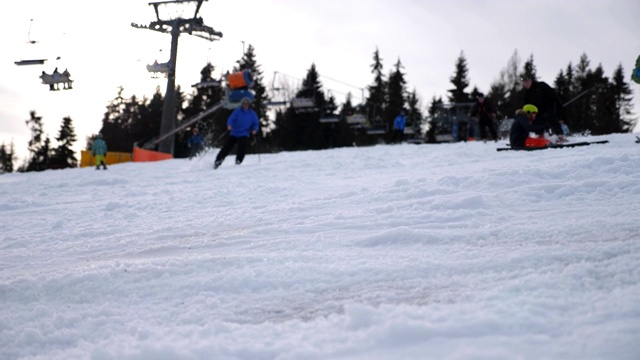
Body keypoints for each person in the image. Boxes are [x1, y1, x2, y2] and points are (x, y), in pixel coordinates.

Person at [214, 97, 259, 169]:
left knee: (242, 147)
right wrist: (229, 125)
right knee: (227, 147)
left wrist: (255, 130)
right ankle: (218, 160)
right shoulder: (238, 111)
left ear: (249, 105)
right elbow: (231, 119)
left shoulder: (252, 114)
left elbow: (255, 124)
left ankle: (238, 161)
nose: (245, 106)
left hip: (244, 133)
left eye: (246, 104)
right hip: (235, 132)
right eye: (243, 104)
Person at [522, 75, 564, 140]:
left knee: (550, 117)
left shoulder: (541, 85)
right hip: (538, 109)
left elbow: (553, 95)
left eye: (527, 81)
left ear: (531, 81)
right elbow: (526, 106)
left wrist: (559, 107)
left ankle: (560, 135)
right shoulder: (526, 93)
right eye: (524, 82)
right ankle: (540, 135)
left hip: (549, 104)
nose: (526, 84)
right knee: (535, 119)